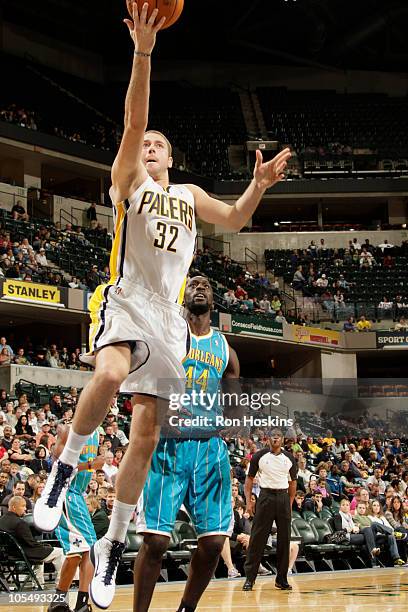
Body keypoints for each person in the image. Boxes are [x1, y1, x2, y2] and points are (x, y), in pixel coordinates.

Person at [33, 4, 290, 610]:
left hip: (170, 320)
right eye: (143, 142)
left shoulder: (188, 193)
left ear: (170, 158)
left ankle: (113, 546)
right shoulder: (129, 182)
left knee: (145, 436)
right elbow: (132, 122)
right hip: (126, 298)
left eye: (156, 145)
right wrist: (143, 52)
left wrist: (257, 185)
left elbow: (234, 218)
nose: (147, 146)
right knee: (110, 373)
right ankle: (63, 471)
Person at [133, 275, 240, 612]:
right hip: (169, 446)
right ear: (183, 296)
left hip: (210, 448)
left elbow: (234, 389)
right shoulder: (166, 336)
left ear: (213, 299)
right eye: (193, 284)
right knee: (156, 541)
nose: (200, 288)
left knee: (213, 542)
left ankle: (186, 609)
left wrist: (233, 418)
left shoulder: (225, 348)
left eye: (206, 285)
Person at [48, 425, 102, 612]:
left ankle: (80, 603)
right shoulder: (67, 430)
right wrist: (90, 465)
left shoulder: (97, 432)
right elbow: (59, 468)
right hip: (63, 492)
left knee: (87, 551)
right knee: (77, 552)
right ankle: (59, 599)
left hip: (77, 495)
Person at [243, 429, 297, 591]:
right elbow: (249, 479)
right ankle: (249, 579)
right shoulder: (259, 456)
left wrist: (290, 502)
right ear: (268, 439)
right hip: (265, 496)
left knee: (284, 539)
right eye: (273, 437)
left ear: (282, 439)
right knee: (257, 539)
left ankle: (281, 579)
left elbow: (293, 482)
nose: (276, 439)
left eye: (278, 436)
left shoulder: (289, 458)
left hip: (283, 497)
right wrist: (248, 503)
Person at [0, 496, 63, 586]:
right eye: (23, 506)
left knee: (41, 552)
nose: (25, 509)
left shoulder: (1, 521)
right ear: (14, 507)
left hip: (9, 554)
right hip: (24, 553)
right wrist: (45, 546)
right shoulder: (19, 523)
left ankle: (38, 584)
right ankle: (61, 583)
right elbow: (31, 543)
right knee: (60, 552)